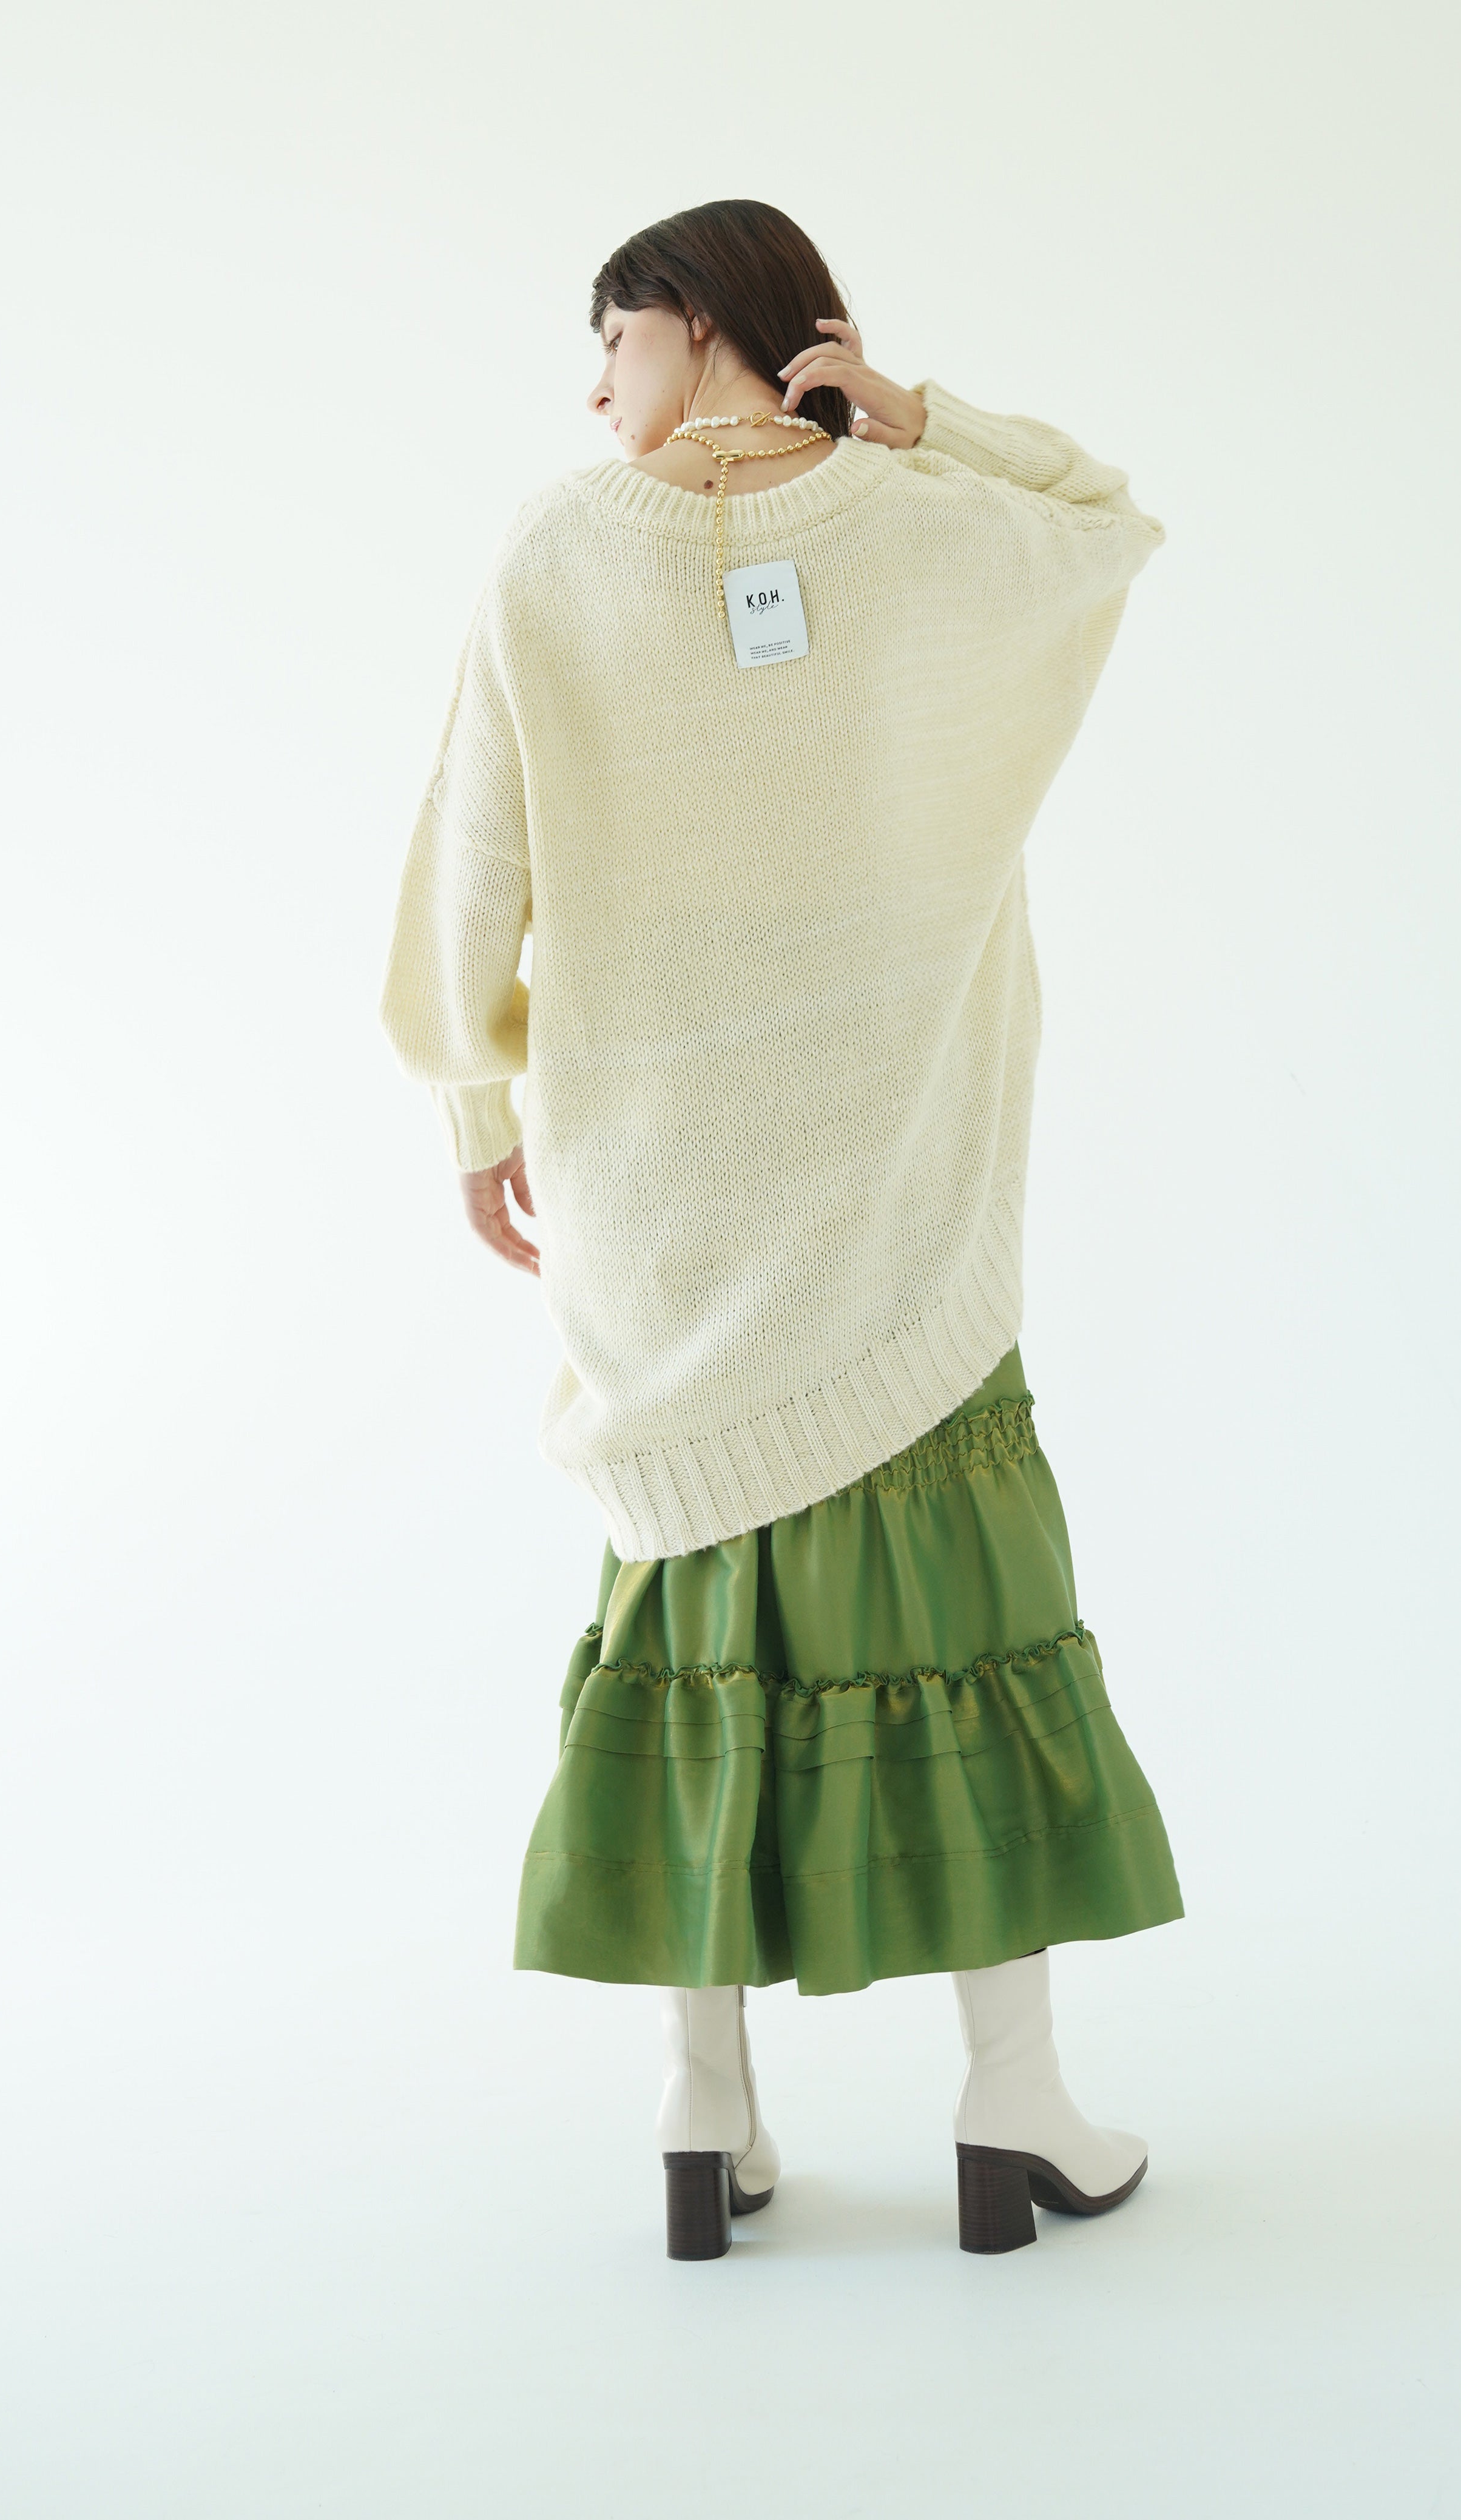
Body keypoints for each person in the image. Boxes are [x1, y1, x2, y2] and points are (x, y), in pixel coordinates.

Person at [379, 198, 1183, 2260]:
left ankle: (703, 2104)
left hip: (659, 1214)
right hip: (896, 1198)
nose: (596, 390)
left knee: (694, 1629)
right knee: (964, 1618)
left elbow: (471, 847)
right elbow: (1102, 517)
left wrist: (474, 1102)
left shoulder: (554, 551)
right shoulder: (926, 530)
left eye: (615, 338)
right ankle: (1010, 2096)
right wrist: (916, 423)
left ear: (707, 319)